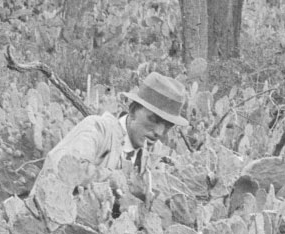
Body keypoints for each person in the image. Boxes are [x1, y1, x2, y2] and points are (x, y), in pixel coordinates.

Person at [30, 70, 189, 219]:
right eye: (153, 119)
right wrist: (113, 179)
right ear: (132, 110)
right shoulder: (97, 129)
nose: (160, 132)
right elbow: (65, 169)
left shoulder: (148, 159)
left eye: (167, 125)